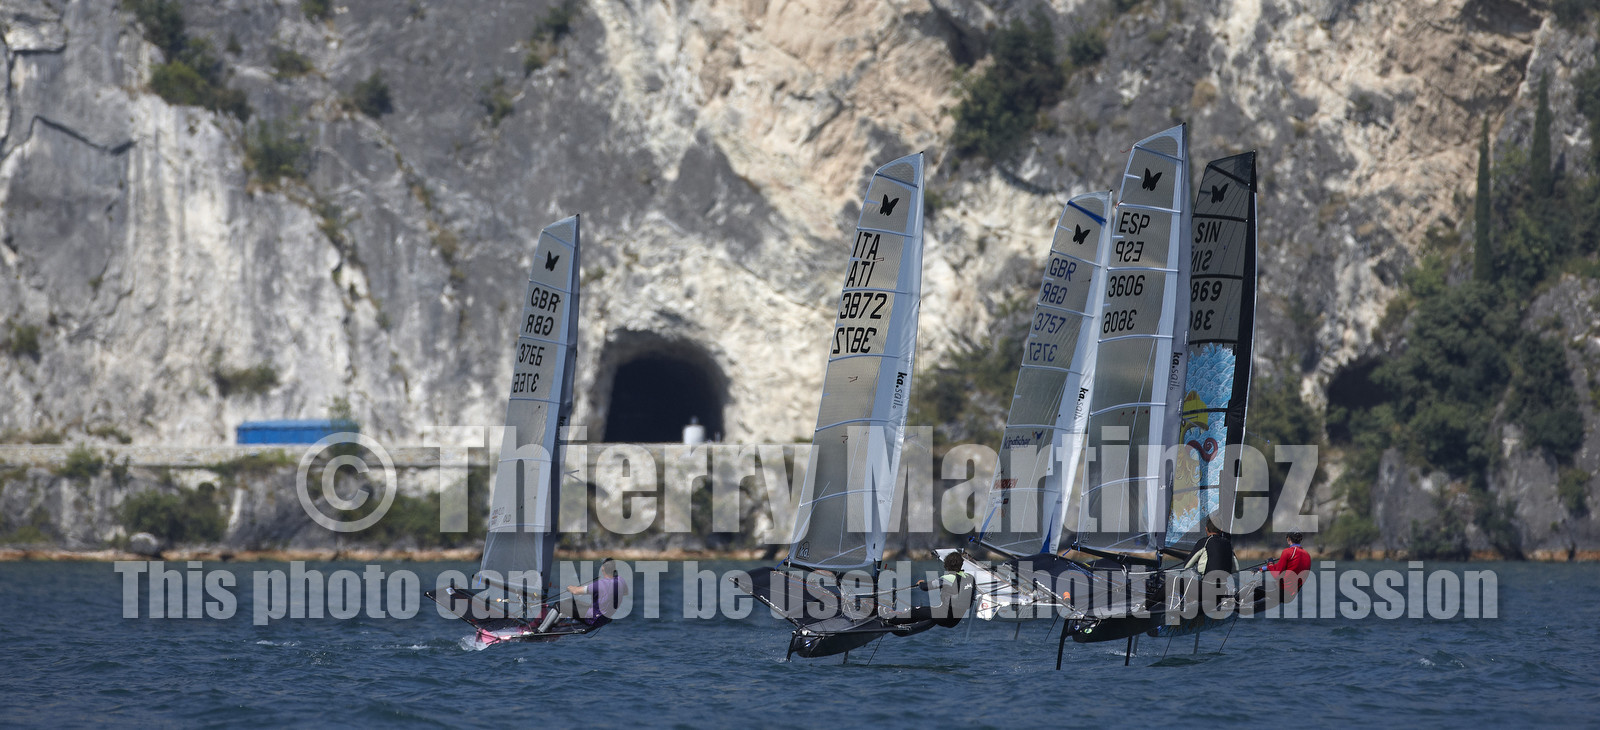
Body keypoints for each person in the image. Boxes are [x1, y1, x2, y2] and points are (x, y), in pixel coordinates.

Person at [885, 552, 973, 628]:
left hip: (944, 617)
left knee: (917, 611)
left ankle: (889, 621)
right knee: (927, 611)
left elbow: (926, 587)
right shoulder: (969, 577)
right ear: (961, 564)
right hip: (956, 620)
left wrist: (921, 584)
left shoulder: (949, 578)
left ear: (947, 565)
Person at [540, 558, 628, 631]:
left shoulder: (600, 584)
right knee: (571, 602)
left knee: (559, 605)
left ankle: (540, 631)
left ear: (603, 569)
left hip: (593, 619)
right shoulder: (621, 580)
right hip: (604, 618)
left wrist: (570, 588)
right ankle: (552, 625)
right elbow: (625, 593)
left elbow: (576, 591)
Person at [1182, 517, 1237, 614]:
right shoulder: (1228, 544)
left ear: (1206, 529)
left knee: (1172, 582)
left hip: (1207, 592)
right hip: (1222, 592)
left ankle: (1147, 607)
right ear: (1221, 530)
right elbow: (1236, 569)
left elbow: (1186, 565)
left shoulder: (1205, 542)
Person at [1261, 531, 1311, 600]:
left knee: (1255, 585)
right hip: (1292, 596)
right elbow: (1289, 567)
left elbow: (1277, 575)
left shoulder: (1287, 552)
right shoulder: (1307, 555)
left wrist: (1270, 563)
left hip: (1282, 592)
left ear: (1288, 539)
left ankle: (1242, 603)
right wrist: (1263, 568)